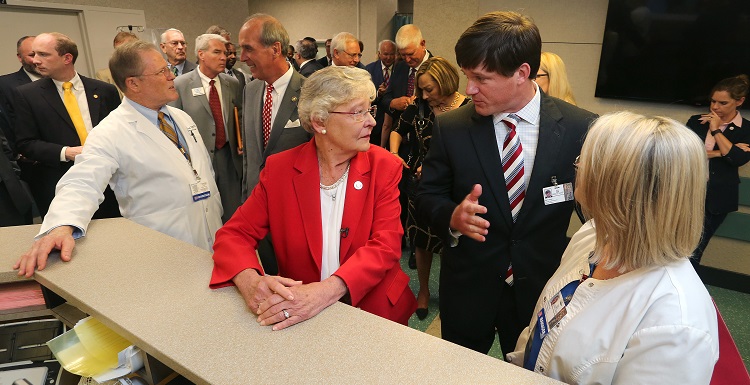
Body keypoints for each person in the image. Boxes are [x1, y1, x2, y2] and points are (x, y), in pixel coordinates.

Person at [415, 11, 597, 355]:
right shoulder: (452, 128)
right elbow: (427, 195)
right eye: (467, 76)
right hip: (468, 288)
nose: (469, 89)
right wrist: (452, 217)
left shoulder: (580, 128)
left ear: (521, 73)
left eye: (481, 79)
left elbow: (597, 212)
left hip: (540, 291)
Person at [508, 111, 719, 384]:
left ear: (616, 185)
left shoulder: (676, 323)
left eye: (584, 161)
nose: (577, 166)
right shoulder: (592, 235)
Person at [210, 66, 417, 329]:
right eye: (358, 112)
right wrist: (250, 282)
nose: (372, 122)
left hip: (374, 311)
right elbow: (233, 235)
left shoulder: (384, 166)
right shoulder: (280, 170)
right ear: (319, 122)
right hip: (305, 316)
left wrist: (326, 291)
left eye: (369, 110)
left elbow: (385, 246)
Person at [14, 40, 223, 277]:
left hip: (212, 234)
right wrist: (60, 226)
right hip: (165, 248)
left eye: (169, 69)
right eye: (162, 71)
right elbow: (82, 182)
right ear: (133, 83)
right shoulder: (110, 131)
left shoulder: (181, 118)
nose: (171, 76)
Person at [389, 57, 468, 320]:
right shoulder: (420, 106)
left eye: (429, 89)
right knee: (421, 242)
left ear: (445, 82)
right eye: (421, 89)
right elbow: (398, 130)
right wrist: (394, 152)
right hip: (421, 188)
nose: (424, 95)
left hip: (455, 191)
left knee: (451, 244)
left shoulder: (468, 109)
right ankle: (423, 291)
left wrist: (437, 167)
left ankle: (449, 293)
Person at [12, 32, 121, 219]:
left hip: (109, 181)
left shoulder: (104, 91)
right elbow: (25, 143)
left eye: (43, 55)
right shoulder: (27, 95)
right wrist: (67, 152)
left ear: (67, 58)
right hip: (61, 184)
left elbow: (121, 133)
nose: (35, 60)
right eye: (34, 54)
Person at [238, 13, 312, 275]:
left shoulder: (310, 92)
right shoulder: (250, 89)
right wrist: (247, 200)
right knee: (270, 275)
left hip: (297, 213)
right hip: (259, 209)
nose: (242, 57)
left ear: (275, 49)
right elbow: (250, 153)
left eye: (248, 48)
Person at [171, 34, 243, 223]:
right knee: (205, 215)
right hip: (197, 162)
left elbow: (239, 117)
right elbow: (173, 127)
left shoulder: (233, 84)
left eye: (225, 53)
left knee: (233, 214)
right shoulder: (181, 85)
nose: (223, 58)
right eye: (217, 52)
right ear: (201, 54)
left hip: (228, 159)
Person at [686, 74, 750, 267]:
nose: (715, 107)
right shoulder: (696, 121)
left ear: (739, 101)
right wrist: (721, 152)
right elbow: (684, 154)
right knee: (675, 246)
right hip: (688, 193)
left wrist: (716, 130)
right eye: (713, 101)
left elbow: (738, 159)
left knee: (694, 250)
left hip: (717, 198)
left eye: (723, 103)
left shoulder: (746, 128)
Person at [365, 40, 396, 147]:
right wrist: (378, 93)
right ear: (379, 54)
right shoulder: (369, 69)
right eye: (385, 54)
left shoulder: (401, 68)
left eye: (392, 54)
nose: (389, 57)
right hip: (375, 122)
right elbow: (365, 97)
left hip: (394, 122)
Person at [96, 31, 139, 99]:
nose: (119, 54)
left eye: (123, 50)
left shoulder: (146, 71)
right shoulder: (104, 76)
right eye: (117, 50)